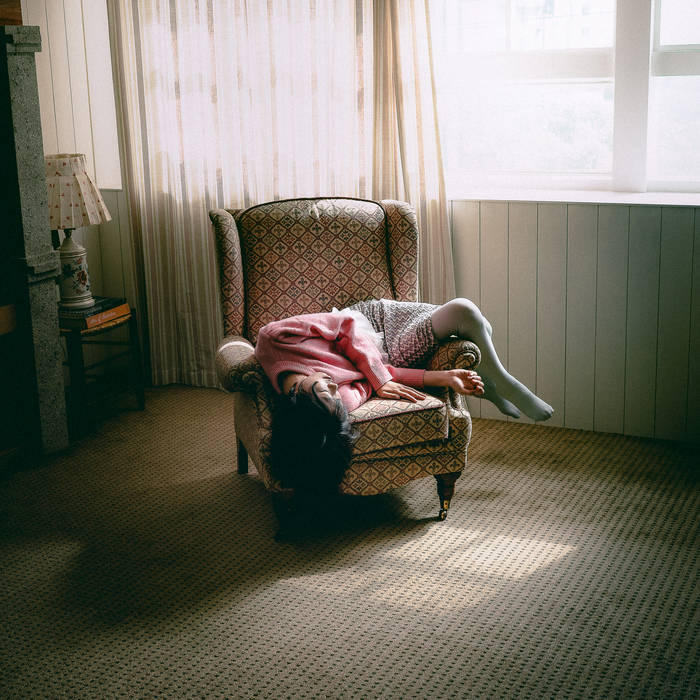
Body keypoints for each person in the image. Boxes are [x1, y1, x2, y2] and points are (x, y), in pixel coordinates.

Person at [255, 298, 553, 491]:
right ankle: (505, 384)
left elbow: (345, 326)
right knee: (464, 312)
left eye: (324, 389)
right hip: (393, 352)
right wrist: (446, 378)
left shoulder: (273, 339)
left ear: (295, 398)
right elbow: (384, 378)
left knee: (480, 325)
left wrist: (379, 378)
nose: (333, 386)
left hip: (370, 320)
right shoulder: (339, 405)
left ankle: (494, 385)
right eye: (333, 395)